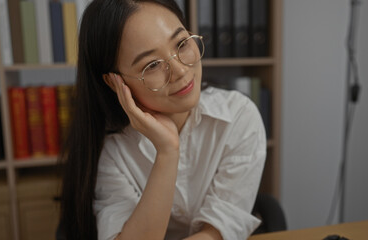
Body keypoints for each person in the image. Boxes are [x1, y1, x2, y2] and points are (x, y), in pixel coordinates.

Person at [59, 0, 267, 239]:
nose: (180, 71)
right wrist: (167, 152)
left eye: (181, 43)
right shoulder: (112, 152)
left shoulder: (238, 117)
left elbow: (217, 232)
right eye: (153, 65)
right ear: (114, 81)